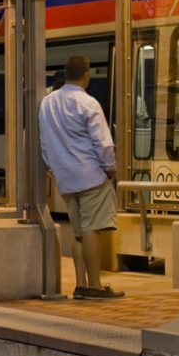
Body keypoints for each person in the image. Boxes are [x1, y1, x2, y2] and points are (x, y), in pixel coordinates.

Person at [38, 53, 121, 299]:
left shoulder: (47, 103)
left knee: (78, 231)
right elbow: (103, 144)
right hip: (91, 176)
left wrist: (54, 170)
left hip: (66, 178)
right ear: (86, 75)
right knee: (92, 229)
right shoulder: (89, 103)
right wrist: (110, 170)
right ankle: (95, 285)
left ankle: (80, 283)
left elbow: (45, 145)